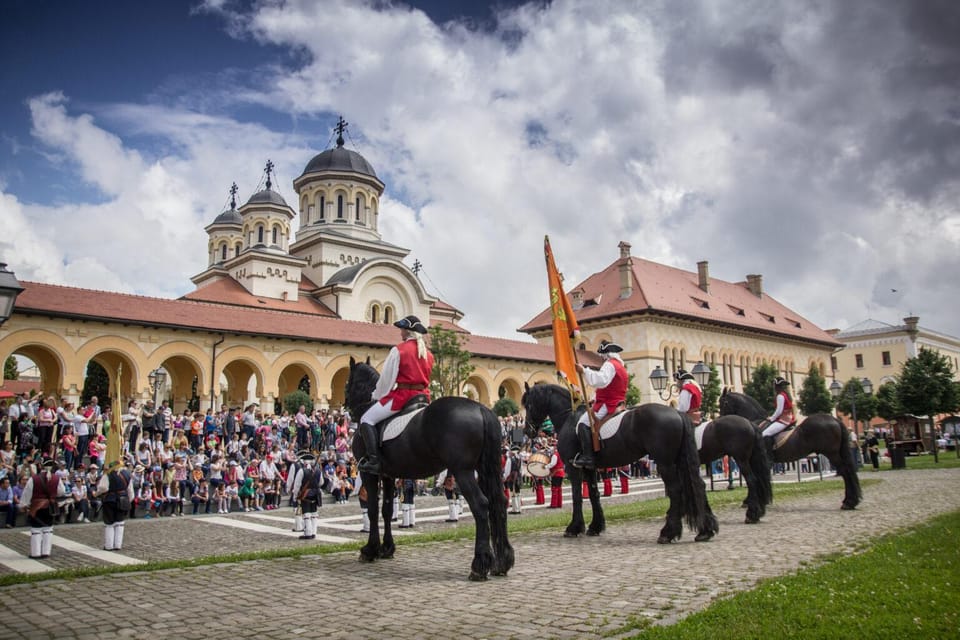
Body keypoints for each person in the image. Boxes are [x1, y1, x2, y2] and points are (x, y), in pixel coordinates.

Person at [358, 315, 434, 475]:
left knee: (366, 419)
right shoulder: (428, 354)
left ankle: (374, 460)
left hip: (403, 396)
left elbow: (387, 380)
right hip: (423, 397)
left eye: (402, 329)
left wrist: (376, 396)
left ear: (407, 331)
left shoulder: (399, 350)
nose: (400, 332)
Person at [572, 340, 628, 469]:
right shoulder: (620, 366)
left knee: (582, 423)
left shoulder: (610, 364)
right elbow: (608, 387)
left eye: (602, 355)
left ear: (606, 355)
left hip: (609, 404)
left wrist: (584, 370)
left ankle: (588, 457)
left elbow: (601, 380)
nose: (601, 358)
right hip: (617, 401)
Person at [21, 458, 68, 559]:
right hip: (50, 506)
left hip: (36, 507)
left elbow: (27, 493)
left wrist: (24, 505)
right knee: (48, 529)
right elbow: (61, 491)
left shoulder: (34, 479)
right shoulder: (56, 479)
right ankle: (46, 552)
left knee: (36, 530)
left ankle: (35, 553)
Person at [98, 459, 134, 550]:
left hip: (110, 500)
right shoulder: (127, 474)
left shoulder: (108, 474)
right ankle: (118, 544)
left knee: (109, 523)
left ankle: (109, 545)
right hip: (123, 500)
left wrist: (97, 493)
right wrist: (128, 500)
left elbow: (103, 488)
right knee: (120, 523)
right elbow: (130, 491)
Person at [762, 377, 796, 459]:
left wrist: (771, 418)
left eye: (774, 386)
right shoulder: (786, 395)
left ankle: (769, 456)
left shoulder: (780, 396)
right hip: (789, 418)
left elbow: (779, 411)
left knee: (764, 434)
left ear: (777, 387)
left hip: (783, 420)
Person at [291, 453, 321, 540]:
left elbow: (297, 485)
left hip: (305, 493)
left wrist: (295, 496)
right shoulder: (318, 471)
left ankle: (308, 532)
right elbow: (321, 482)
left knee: (307, 513)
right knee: (314, 513)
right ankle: (314, 532)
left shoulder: (302, 471)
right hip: (315, 493)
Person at [546, 437, 565, 509]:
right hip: (561, 472)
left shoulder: (555, 455)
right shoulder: (561, 453)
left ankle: (554, 504)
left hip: (556, 473)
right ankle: (559, 503)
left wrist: (545, 467)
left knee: (554, 489)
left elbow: (553, 464)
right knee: (559, 489)